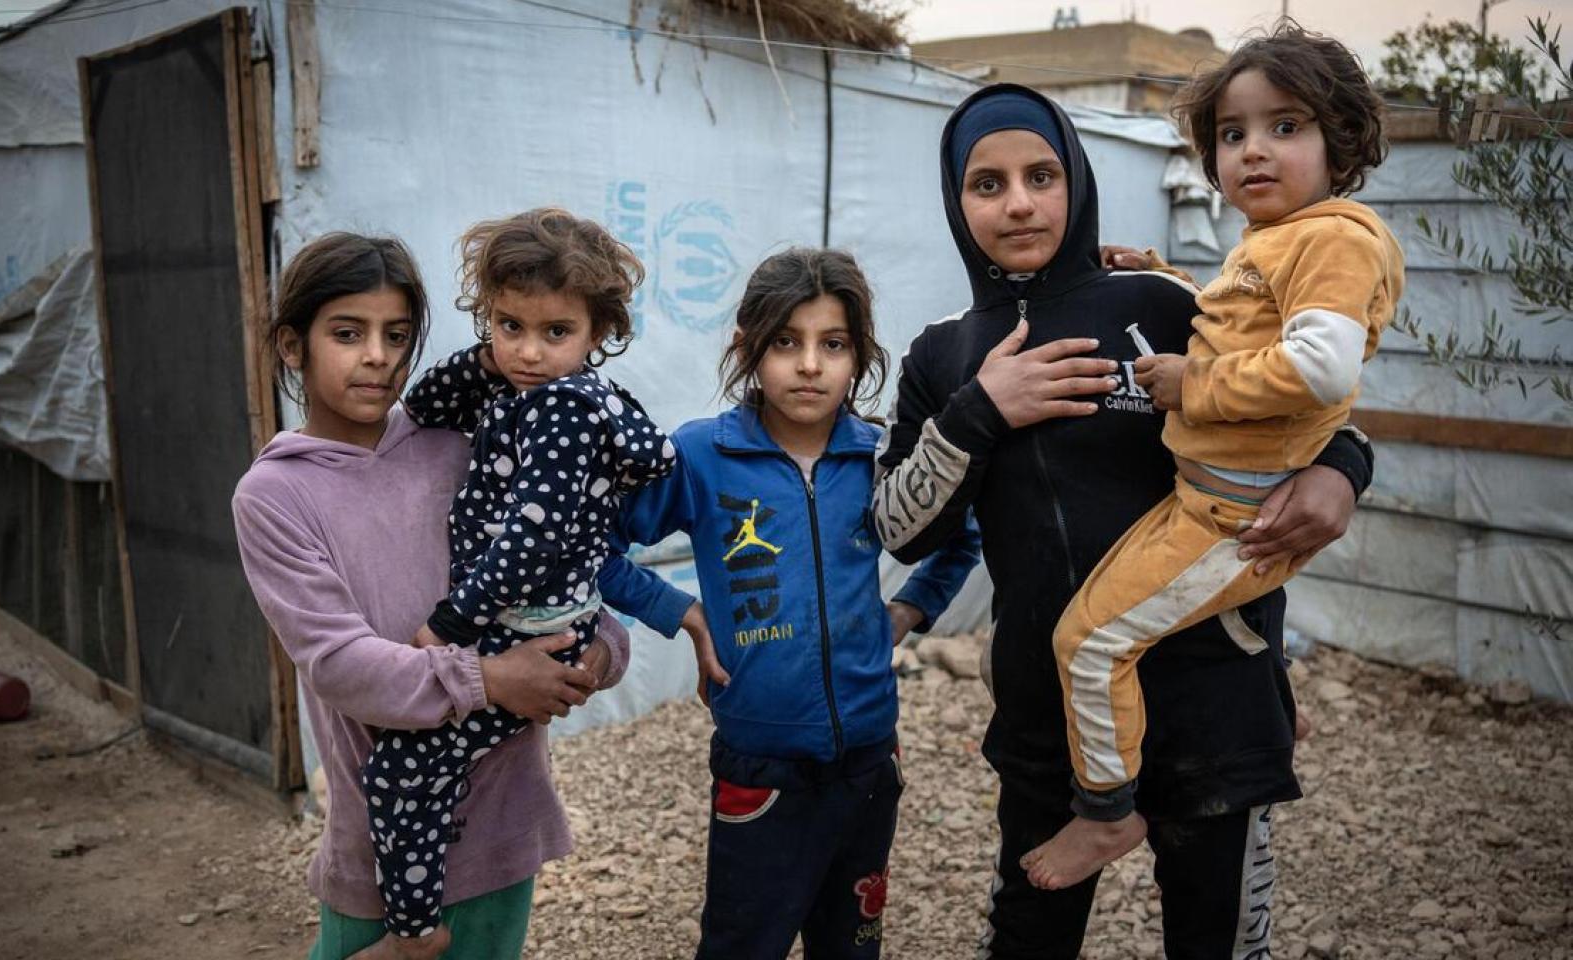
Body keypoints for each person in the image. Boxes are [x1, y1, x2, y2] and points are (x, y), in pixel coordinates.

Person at [871, 85, 1374, 958]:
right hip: (1047, 713)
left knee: (1216, 940)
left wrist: (1345, 468)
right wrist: (979, 411)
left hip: (1215, 695)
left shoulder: (1163, 301)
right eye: (986, 184)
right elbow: (898, 527)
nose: (1019, 202)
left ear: (1081, 180)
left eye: (1042, 175)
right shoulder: (943, 352)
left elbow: (1298, 403)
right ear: (956, 202)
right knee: (1029, 937)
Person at [1025, 22, 1404, 891]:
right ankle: (1265, 698)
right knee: (1122, 621)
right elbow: (1251, 320)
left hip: (1237, 517)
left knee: (1088, 643)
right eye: (1233, 134)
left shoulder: (1335, 240)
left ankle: (1106, 813)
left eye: (1286, 126)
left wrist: (1193, 383)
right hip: (1206, 500)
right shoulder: (1279, 240)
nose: (1253, 151)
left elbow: (1320, 364)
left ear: (1340, 141)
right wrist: (1166, 274)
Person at [233, 232, 629, 960]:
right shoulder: (276, 494)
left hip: (505, 817)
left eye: (397, 335)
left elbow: (559, 566)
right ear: (293, 346)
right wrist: (490, 679)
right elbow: (342, 665)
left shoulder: (458, 445)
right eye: (348, 334)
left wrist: (600, 649)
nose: (377, 356)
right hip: (385, 845)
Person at [599, 248, 983, 959]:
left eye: (832, 344)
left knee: (852, 943)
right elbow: (596, 546)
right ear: (747, 347)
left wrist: (907, 613)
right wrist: (682, 613)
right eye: (786, 342)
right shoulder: (700, 456)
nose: (810, 365)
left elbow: (960, 537)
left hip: (870, 756)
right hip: (759, 763)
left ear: (859, 355)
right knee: (744, 943)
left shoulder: (878, 457)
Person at [354, 208, 675, 955]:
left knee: (403, 764)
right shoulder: (526, 387)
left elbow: (531, 541)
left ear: (599, 333)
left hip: (526, 627)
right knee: (417, 760)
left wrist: (450, 625)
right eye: (509, 325)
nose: (529, 351)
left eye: (556, 332)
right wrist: (486, 361)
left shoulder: (564, 410)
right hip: (527, 621)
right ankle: (423, 909)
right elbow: (426, 406)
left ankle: (413, 935)